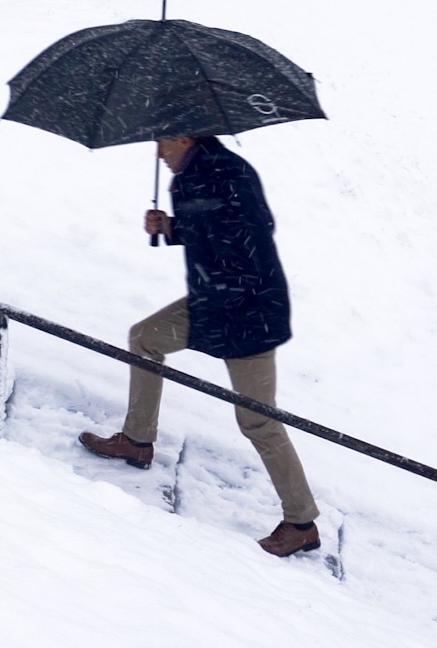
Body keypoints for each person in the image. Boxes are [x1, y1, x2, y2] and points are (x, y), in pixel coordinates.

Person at [79, 135, 320, 557]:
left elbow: (247, 242)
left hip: (248, 317)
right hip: (215, 306)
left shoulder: (229, 176)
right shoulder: (198, 174)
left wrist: (212, 280)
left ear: (184, 138)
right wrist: (172, 228)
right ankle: (137, 442)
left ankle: (301, 523)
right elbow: (212, 230)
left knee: (258, 421)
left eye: (162, 143)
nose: (158, 152)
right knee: (144, 338)